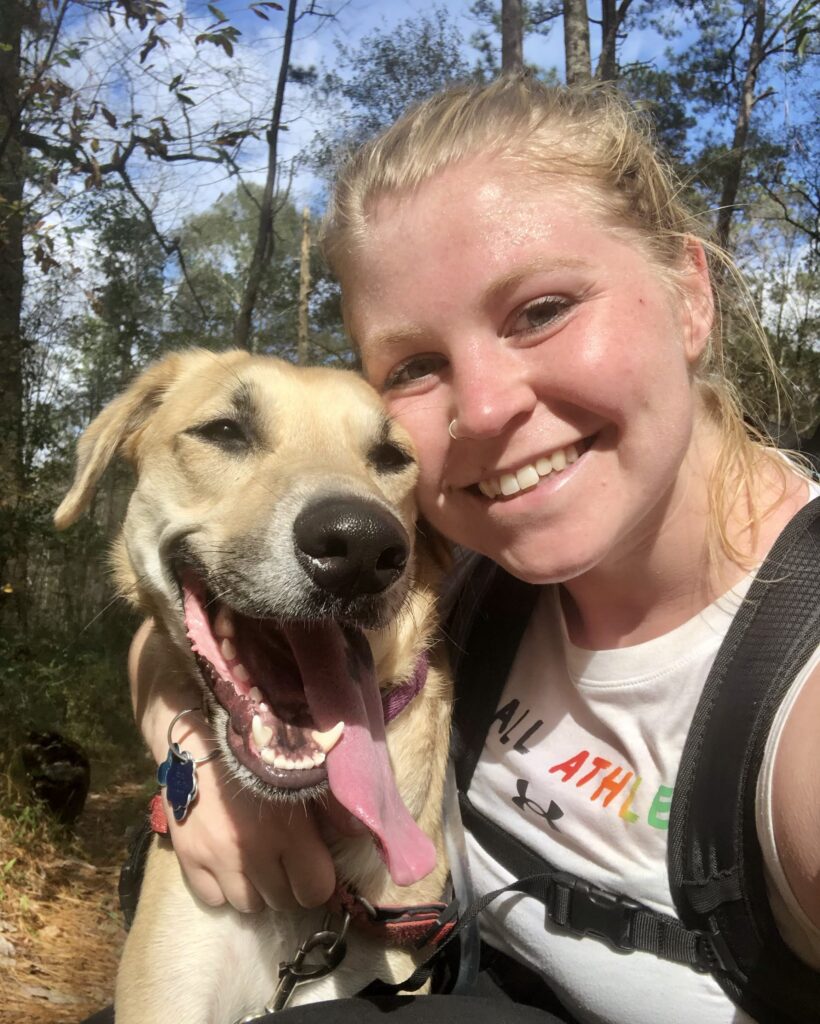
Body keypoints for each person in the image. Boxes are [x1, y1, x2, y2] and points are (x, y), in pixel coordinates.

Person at [126, 75, 819, 1024]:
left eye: (541, 310)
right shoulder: (466, 571)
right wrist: (195, 744)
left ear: (691, 294)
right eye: (413, 366)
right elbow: (177, 609)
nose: (486, 409)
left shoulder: (797, 715)